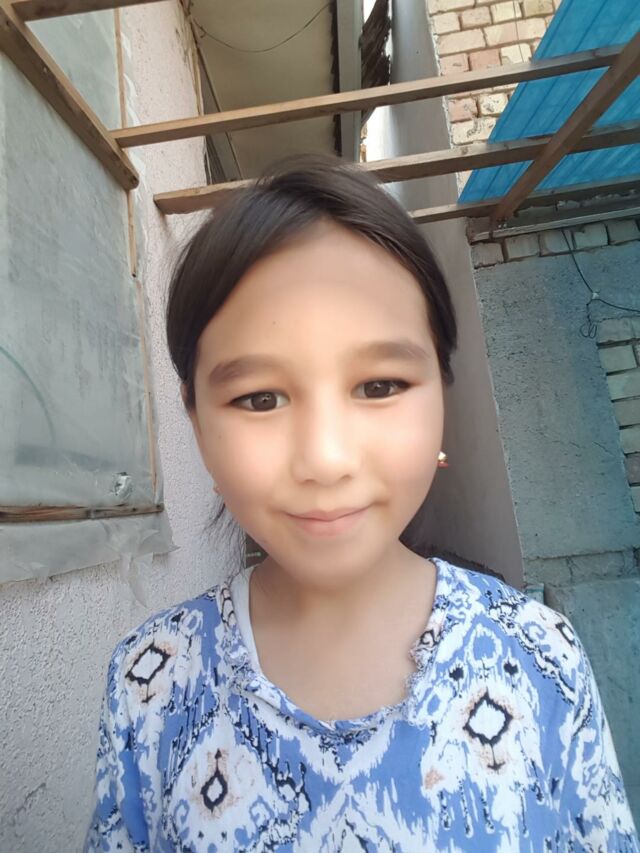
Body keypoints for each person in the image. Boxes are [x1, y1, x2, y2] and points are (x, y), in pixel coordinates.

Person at [84, 154, 639, 852]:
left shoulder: (540, 652)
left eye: (379, 386)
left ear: (441, 395)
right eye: (260, 398)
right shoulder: (151, 681)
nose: (325, 459)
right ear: (196, 423)